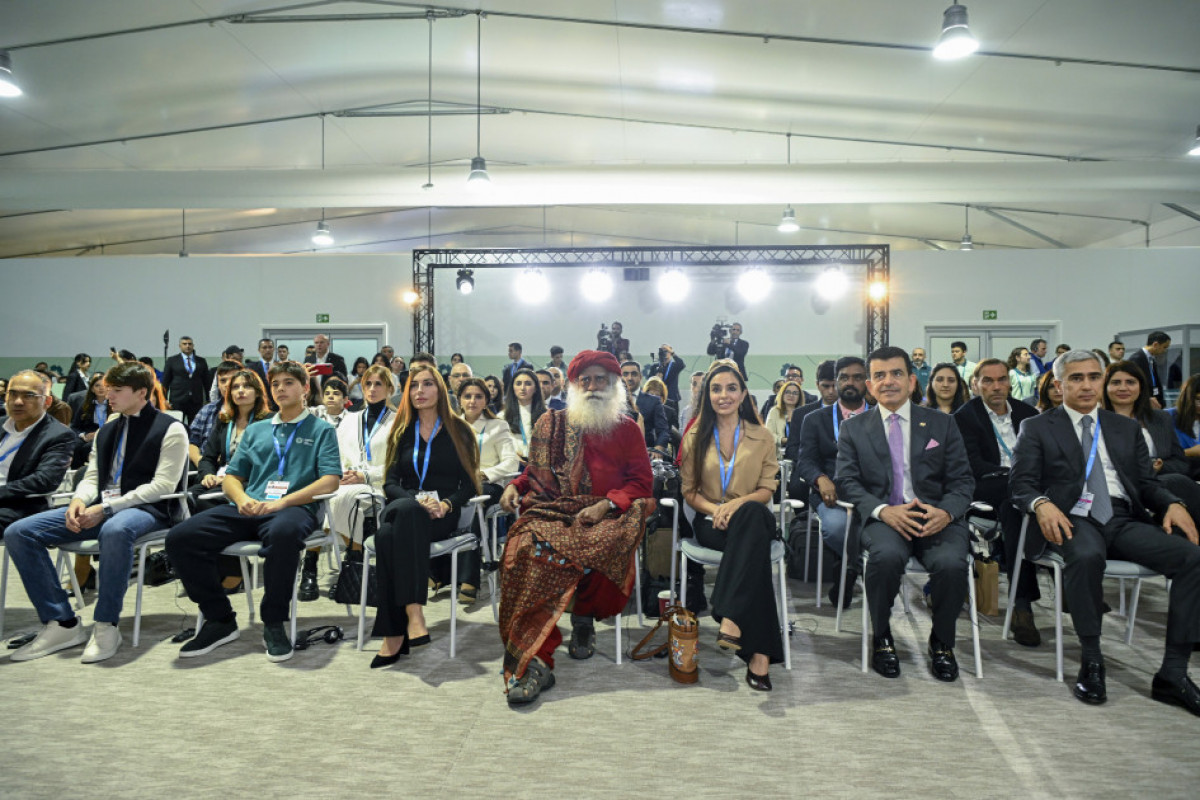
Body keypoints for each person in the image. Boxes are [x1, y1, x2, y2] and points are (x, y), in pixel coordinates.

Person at [1009, 350, 1200, 712]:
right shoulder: (1036, 427)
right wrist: (1041, 504)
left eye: (1093, 377)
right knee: (1085, 555)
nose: (1086, 385)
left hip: (1122, 517)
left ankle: (1173, 674)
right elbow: (1020, 485)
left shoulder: (1124, 427)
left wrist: (1173, 503)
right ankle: (1092, 659)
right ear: (1059, 384)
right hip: (1071, 516)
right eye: (1076, 378)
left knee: (1191, 558)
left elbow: (1146, 483)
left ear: (1101, 381)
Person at [497, 350, 654, 704]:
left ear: (615, 385)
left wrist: (607, 504)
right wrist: (515, 486)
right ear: (574, 386)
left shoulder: (627, 429)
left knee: (598, 543)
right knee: (529, 548)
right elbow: (534, 473)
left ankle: (583, 619)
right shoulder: (550, 424)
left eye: (601, 380)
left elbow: (642, 483)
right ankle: (537, 657)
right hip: (553, 511)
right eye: (586, 380)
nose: (593, 386)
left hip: (607, 512)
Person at [7, 362, 189, 663]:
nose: (109, 396)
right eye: (108, 389)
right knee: (21, 531)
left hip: (151, 509)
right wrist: (79, 500)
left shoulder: (171, 428)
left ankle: (106, 624)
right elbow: (93, 476)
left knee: (115, 530)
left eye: (118, 390)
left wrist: (104, 509)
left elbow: (162, 486)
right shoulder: (106, 429)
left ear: (142, 392)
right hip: (103, 506)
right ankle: (62, 623)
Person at [166, 361, 342, 663]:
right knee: (181, 537)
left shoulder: (321, 429)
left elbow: (330, 479)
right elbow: (233, 477)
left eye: (288, 383)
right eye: (275, 384)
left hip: (294, 508)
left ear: (304, 389)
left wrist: (282, 502)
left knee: (284, 534)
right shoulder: (258, 429)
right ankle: (219, 618)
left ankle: (273, 622)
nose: (281, 389)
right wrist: (242, 499)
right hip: (249, 506)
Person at [836, 346, 975, 682]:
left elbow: (963, 481)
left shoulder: (942, 424)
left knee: (952, 564)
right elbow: (846, 482)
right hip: (886, 518)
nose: (888, 382)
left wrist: (946, 512)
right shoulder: (854, 429)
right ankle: (882, 636)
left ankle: (941, 642)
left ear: (912, 381)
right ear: (870, 386)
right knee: (884, 559)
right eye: (879, 376)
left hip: (935, 516)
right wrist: (883, 511)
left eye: (896, 373)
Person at [365, 364, 480, 667]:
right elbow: (389, 483)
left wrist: (446, 505)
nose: (420, 391)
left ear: (440, 389)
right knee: (407, 513)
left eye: (427, 384)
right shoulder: (401, 431)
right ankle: (414, 611)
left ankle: (393, 636)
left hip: (440, 515)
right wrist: (415, 501)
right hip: (402, 505)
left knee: (387, 538)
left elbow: (469, 484)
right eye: (414, 385)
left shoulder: (460, 430)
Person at [680, 360, 782, 691]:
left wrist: (735, 505)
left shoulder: (762, 436)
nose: (724, 395)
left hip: (751, 514)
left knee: (751, 517)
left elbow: (767, 490)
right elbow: (690, 492)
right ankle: (759, 656)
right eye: (716, 389)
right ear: (707, 395)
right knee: (754, 555)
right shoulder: (695, 435)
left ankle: (730, 613)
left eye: (731, 388)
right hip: (712, 523)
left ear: (743, 393)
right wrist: (717, 509)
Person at [953, 358, 1041, 646]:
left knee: (1015, 512)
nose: (996, 387)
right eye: (987, 381)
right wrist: (1016, 476)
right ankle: (1029, 602)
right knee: (1016, 496)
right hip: (986, 485)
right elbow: (974, 464)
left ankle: (1022, 605)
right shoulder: (965, 416)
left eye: (1001, 379)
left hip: (1019, 494)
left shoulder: (1028, 414)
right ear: (975, 384)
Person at [796, 356, 871, 605]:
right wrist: (820, 479)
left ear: (867, 382)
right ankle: (855, 566)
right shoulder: (815, 419)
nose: (850, 382)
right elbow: (805, 461)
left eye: (858, 377)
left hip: (872, 493)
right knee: (838, 528)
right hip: (832, 495)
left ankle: (847, 569)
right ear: (836, 382)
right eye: (844, 377)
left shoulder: (881, 416)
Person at [1102, 362, 1200, 523]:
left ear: (1141, 387)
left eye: (1130, 382)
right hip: (1119, 486)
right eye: (1116, 382)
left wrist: (1160, 466)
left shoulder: (1160, 419)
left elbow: (1180, 462)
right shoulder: (1094, 421)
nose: (1123, 388)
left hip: (1159, 482)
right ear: (1105, 387)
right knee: (1178, 483)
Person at [0, 370, 76, 563]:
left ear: (47, 402)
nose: (18, 401)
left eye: (28, 396)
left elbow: (45, 481)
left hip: (18, 505)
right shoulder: (2, 425)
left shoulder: (58, 435)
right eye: (13, 394)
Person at [456, 377, 519, 603]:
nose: (472, 401)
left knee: (476, 500)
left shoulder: (497, 426)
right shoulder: (450, 425)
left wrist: (483, 474)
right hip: (459, 484)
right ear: (459, 400)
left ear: (486, 400)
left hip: (489, 484)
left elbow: (511, 463)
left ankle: (469, 578)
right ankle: (439, 571)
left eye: (478, 396)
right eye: (467, 396)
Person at [325, 365, 396, 563]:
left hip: (380, 484)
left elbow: (398, 464)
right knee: (329, 497)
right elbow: (335, 455)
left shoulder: (399, 421)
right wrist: (341, 474)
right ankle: (354, 555)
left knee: (337, 499)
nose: (372, 389)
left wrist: (367, 476)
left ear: (390, 389)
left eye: (378, 384)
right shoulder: (348, 420)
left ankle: (351, 558)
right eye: (368, 384)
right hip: (348, 482)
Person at [186, 360, 243, 468]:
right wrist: (202, 463)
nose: (227, 384)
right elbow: (191, 442)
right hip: (204, 466)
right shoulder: (207, 410)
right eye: (223, 381)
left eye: (232, 380)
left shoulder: (249, 412)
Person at [621, 360, 669, 453]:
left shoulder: (654, 401)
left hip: (647, 453)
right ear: (619, 378)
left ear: (640, 377)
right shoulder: (612, 402)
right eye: (625, 374)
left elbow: (663, 430)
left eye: (634, 374)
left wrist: (658, 449)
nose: (629, 378)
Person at [161, 335, 209, 423]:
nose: (187, 346)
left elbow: (206, 382)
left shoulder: (201, 361)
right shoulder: (172, 360)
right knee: (177, 425)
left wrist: (208, 400)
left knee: (195, 426)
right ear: (180, 346)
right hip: (177, 400)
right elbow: (165, 382)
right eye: (184, 344)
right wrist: (164, 399)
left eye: (190, 344)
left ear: (193, 346)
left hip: (196, 400)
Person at [502, 368, 546, 462]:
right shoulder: (502, 416)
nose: (522, 388)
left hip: (540, 464)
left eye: (528, 383)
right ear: (512, 388)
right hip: (513, 464)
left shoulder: (546, 415)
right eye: (518, 383)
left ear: (535, 388)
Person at [68, 373, 109, 469]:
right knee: (75, 446)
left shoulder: (113, 405)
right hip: (87, 434)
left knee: (88, 448)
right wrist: (84, 436)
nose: (101, 388)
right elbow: (74, 426)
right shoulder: (85, 405)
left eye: (104, 385)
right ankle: (76, 473)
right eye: (97, 385)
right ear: (92, 389)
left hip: (106, 433)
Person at [1167, 373, 1200, 478]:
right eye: (1197, 399)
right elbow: (1160, 455)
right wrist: (1189, 452)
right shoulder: (1167, 417)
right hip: (1177, 476)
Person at [1128, 331, 1172, 410]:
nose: (1165, 350)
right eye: (1164, 347)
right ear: (1155, 345)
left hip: (1154, 401)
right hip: (1143, 404)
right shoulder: (1136, 359)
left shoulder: (1152, 359)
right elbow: (1133, 384)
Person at [764, 380, 802, 447]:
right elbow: (768, 435)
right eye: (787, 392)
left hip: (799, 453)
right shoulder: (774, 411)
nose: (791, 395)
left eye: (795, 393)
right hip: (779, 453)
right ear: (782, 394)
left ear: (800, 397)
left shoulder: (803, 412)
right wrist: (782, 440)